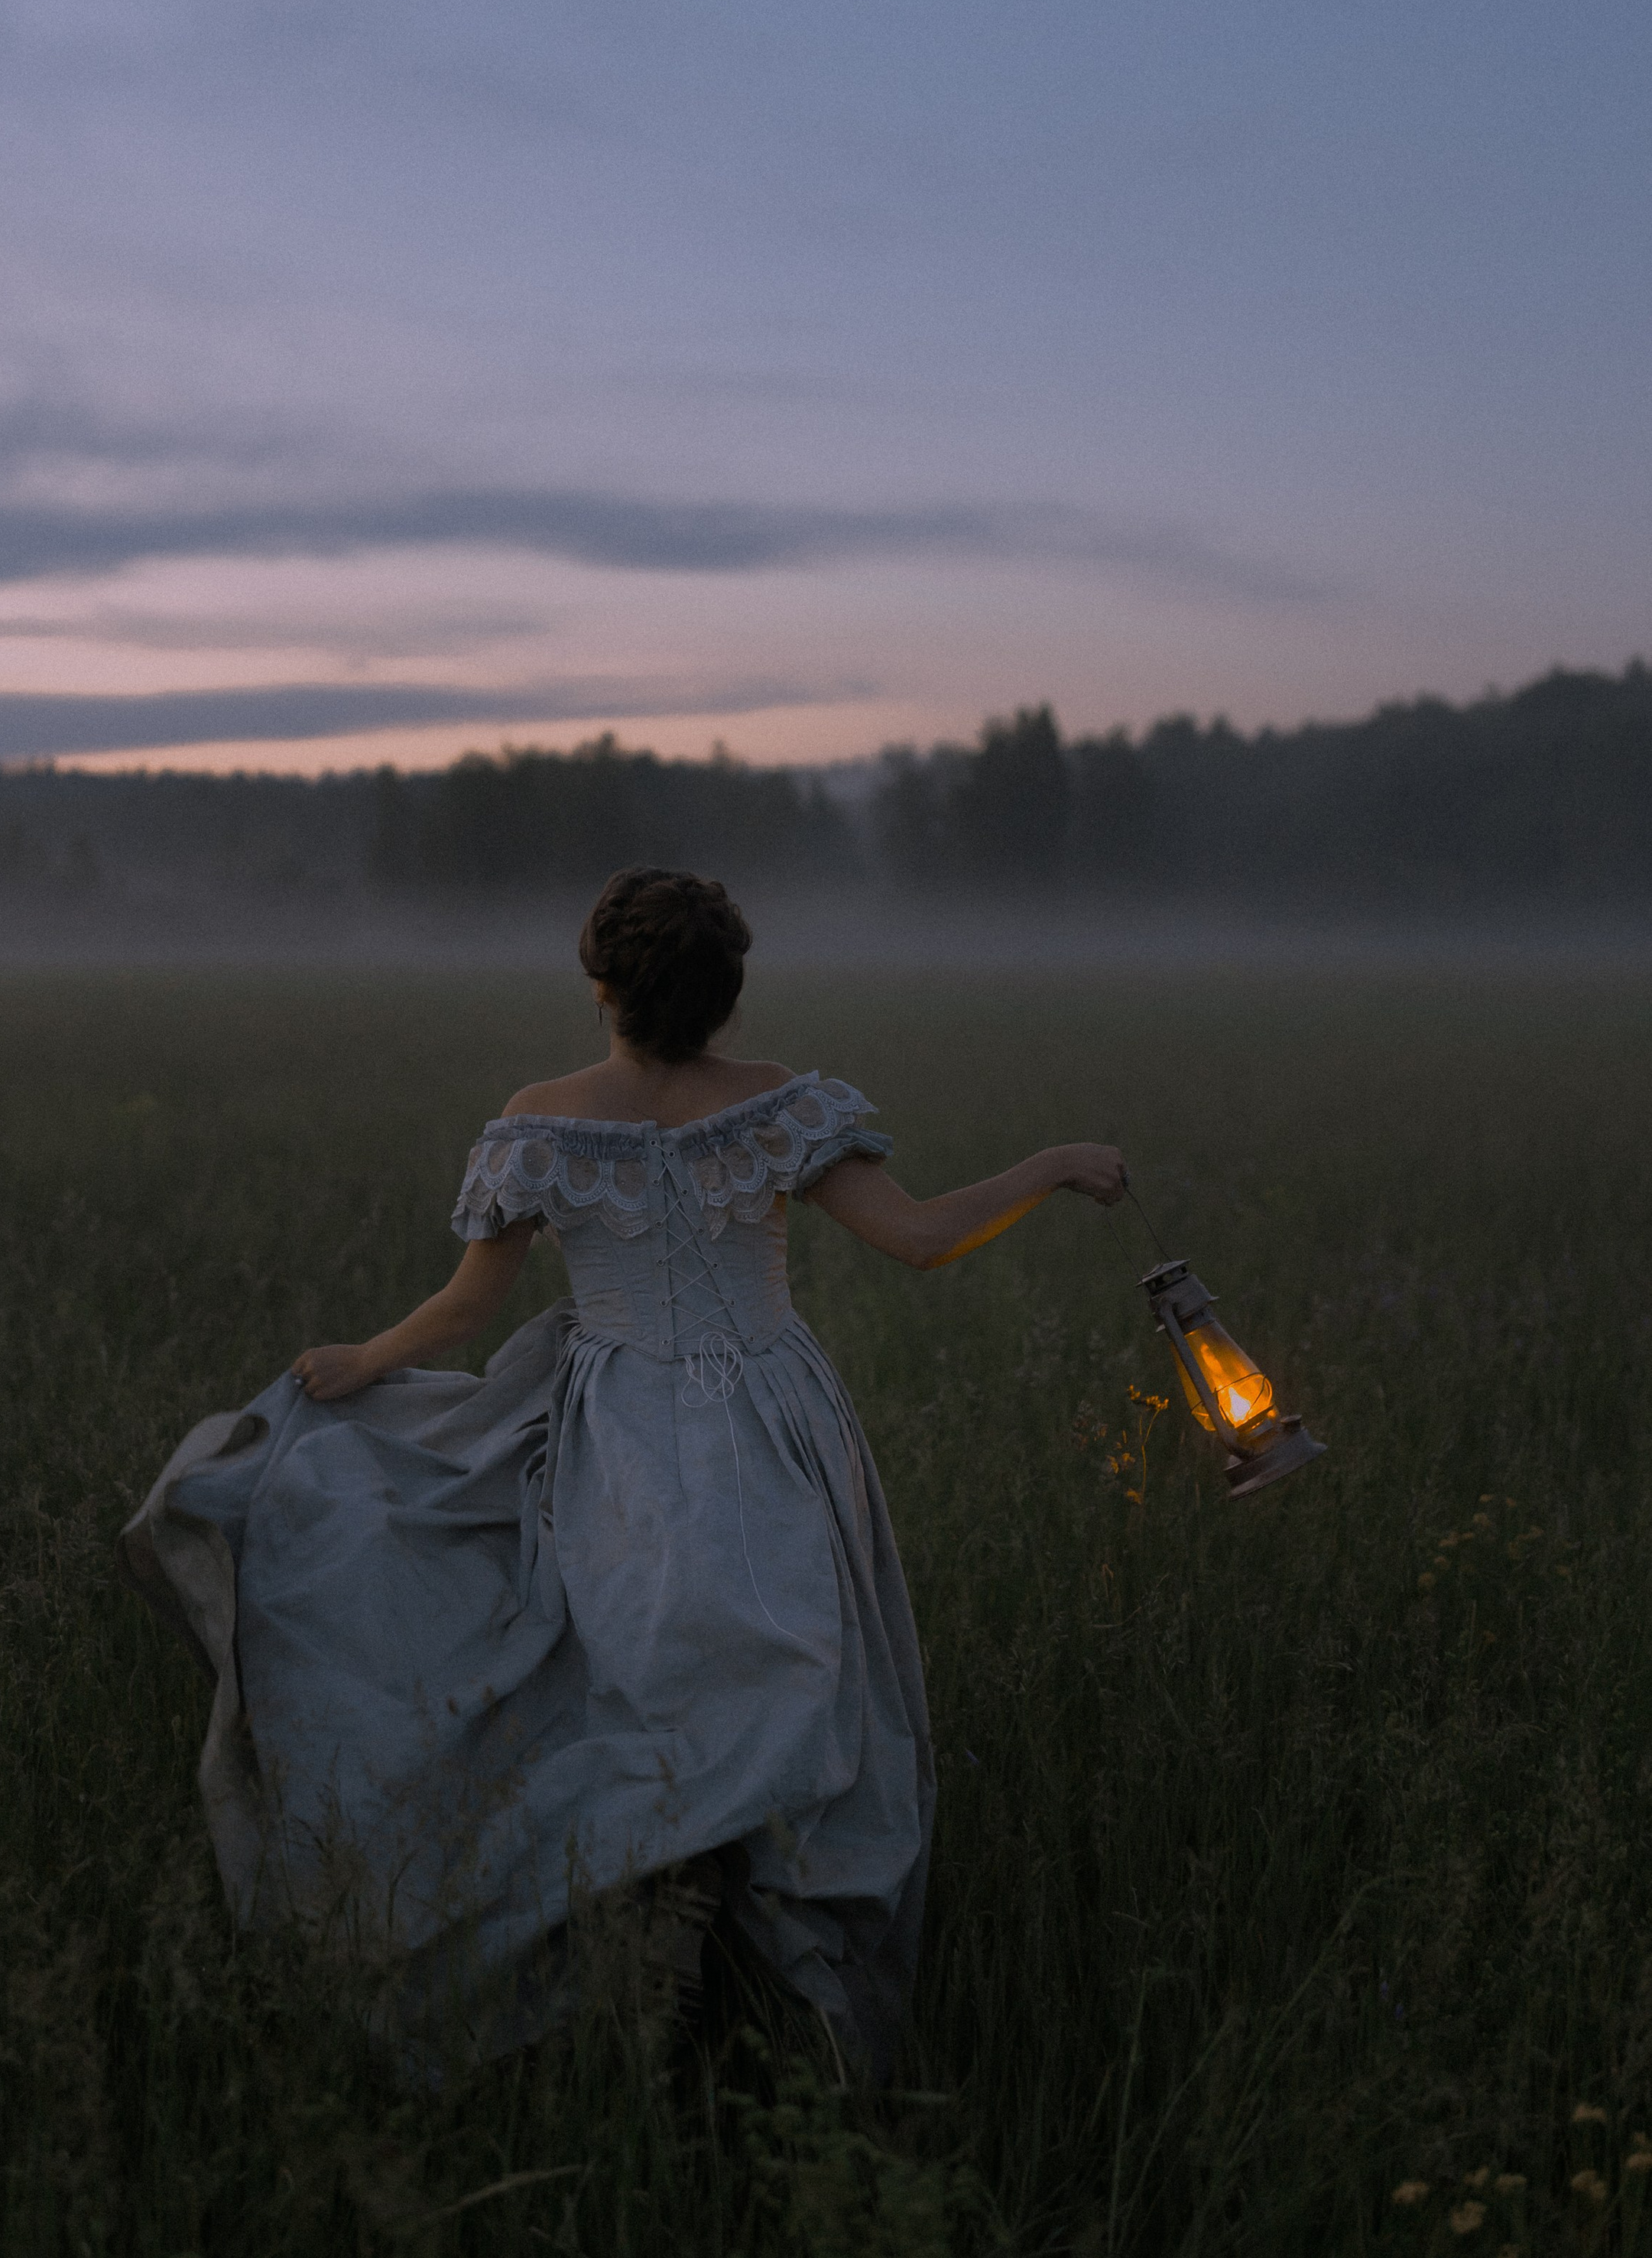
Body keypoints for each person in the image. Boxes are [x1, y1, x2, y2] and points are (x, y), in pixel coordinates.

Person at [119, 867, 1125, 2076]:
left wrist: (363, 1360)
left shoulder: (545, 1120)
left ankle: (679, 1951)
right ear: (725, 995)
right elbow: (921, 1238)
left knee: (653, 1671)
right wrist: (1051, 1163)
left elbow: (466, 1307)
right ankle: (757, 1976)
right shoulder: (777, 1106)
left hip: (623, 1430)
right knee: (784, 1672)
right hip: (770, 1417)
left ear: (601, 987)